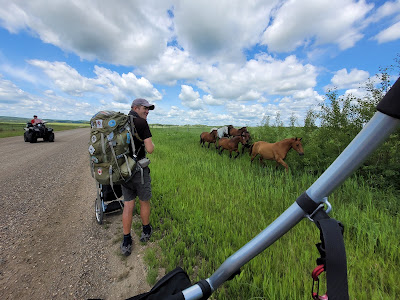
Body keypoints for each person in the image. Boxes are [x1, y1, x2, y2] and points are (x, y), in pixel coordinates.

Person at [120, 98, 155, 256]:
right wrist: (152, 144)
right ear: (135, 107)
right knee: (144, 201)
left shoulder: (122, 123)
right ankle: (146, 230)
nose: (147, 111)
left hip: (123, 170)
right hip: (139, 171)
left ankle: (126, 239)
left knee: (128, 205)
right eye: (144, 108)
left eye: (148, 109)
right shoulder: (141, 123)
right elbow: (150, 148)